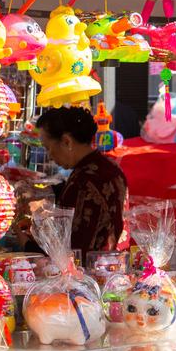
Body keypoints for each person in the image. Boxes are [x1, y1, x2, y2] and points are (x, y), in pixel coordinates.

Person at [30, 106, 128, 258]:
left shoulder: (83, 181)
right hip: (116, 265)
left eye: (48, 147)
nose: (49, 155)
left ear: (67, 142)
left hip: (89, 274)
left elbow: (71, 250)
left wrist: (24, 240)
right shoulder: (111, 167)